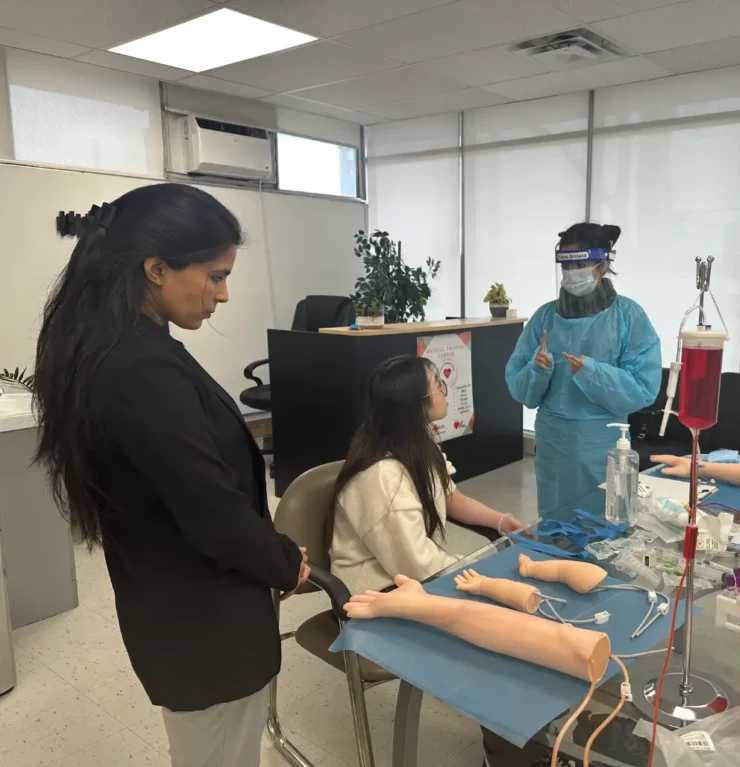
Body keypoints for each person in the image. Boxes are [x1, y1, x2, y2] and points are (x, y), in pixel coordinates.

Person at [34, 184, 309, 767]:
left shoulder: (121, 345)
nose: (224, 294)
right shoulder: (138, 369)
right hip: (203, 627)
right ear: (156, 269)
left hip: (178, 605)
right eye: (215, 276)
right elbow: (211, 509)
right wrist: (285, 562)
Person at [330, 355, 529, 595]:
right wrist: (476, 573)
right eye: (438, 385)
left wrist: (501, 520)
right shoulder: (383, 478)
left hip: (409, 574)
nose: (444, 392)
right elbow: (416, 565)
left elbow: (449, 496)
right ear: (416, 403)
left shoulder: (416, 445)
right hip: (379, 590)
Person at [505, 222, 662, 515]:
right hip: (553, 444)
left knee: (607, 521)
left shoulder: (628, 316)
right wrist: (537, 371)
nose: (572, 272)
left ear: (601, 265)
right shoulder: (545, 317)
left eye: (580, 264)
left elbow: (643, 388)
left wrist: (593, 373)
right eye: (566, 266)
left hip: (603, 444)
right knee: (555, 521)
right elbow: (521, 390)